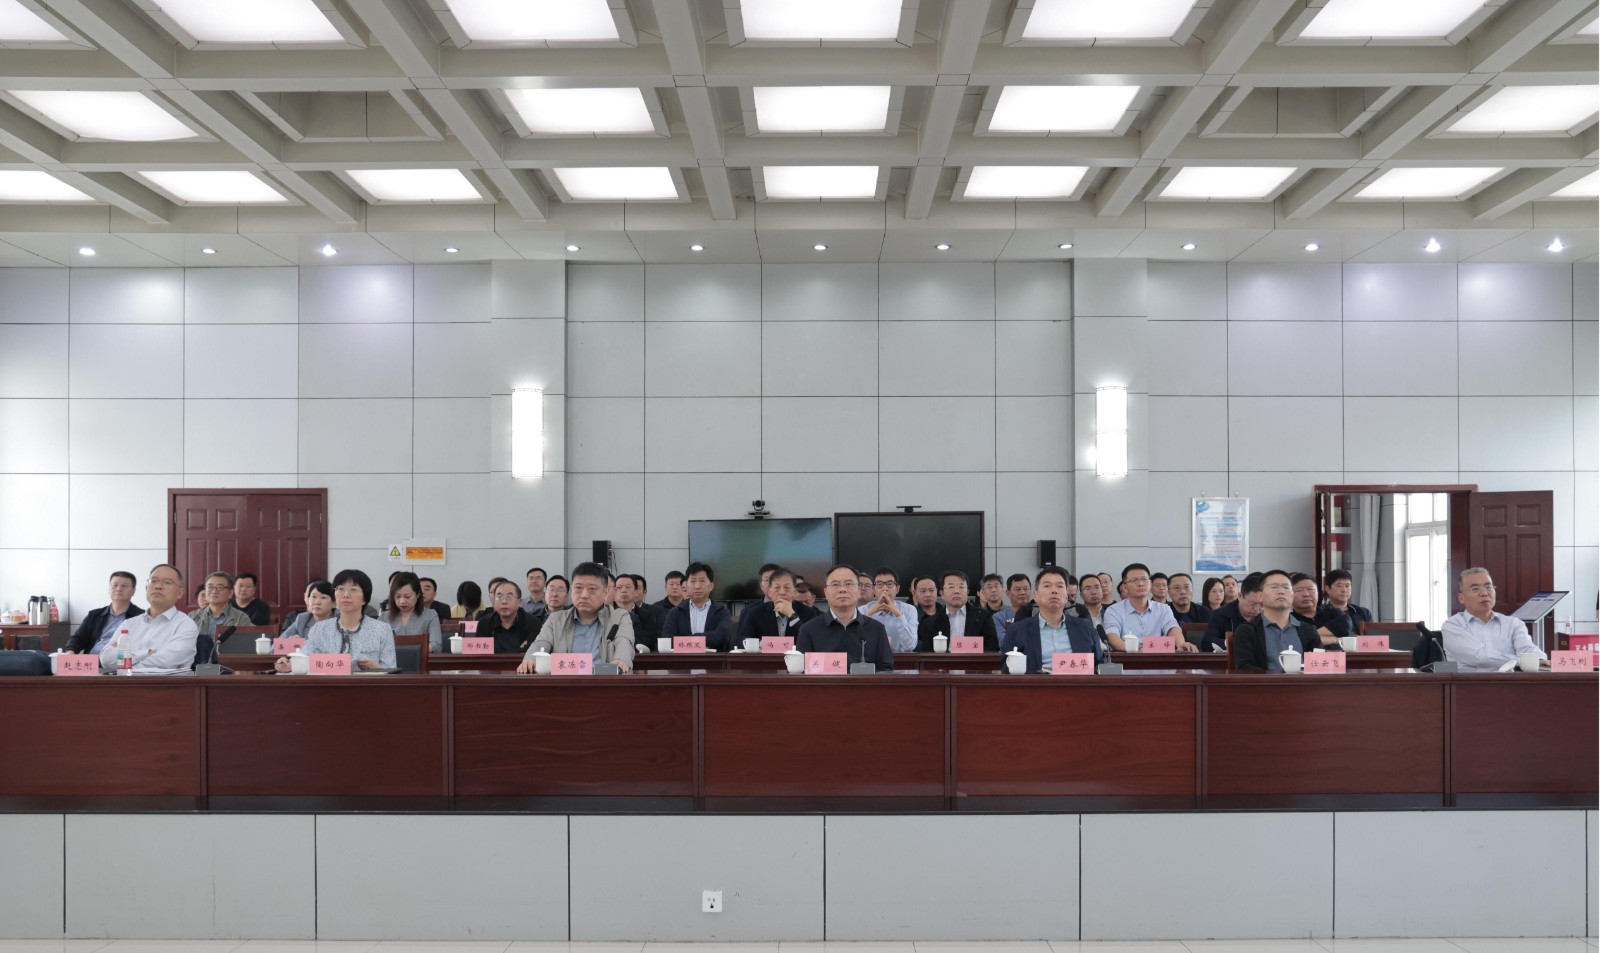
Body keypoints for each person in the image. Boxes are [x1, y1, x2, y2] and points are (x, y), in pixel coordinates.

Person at [521, 562, 635, 673]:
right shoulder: (556, 619)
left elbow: (624, 641)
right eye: (578, 588)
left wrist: (621, 659)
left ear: (605, 593)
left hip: (605, 682)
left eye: (592, 589)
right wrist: (530, 660)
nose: (584, 595)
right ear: (571, 590)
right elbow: (541, 643)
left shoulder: (619, 617)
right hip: (566, 683)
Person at [275, 569, 395, 671]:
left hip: (366, 688)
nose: (345, 594)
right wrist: (287, 664)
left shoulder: (382, 630)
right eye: (340, 589)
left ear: (365, 599)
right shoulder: (319, 629)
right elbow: (303, 658)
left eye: (353, 590)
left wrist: (376, 668)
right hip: (325, 688)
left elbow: (391, 670)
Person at [99, 564, 199, 675]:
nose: (158, 586)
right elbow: (106, 659)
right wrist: (147, 653)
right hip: (124, 683)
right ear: (146, 588)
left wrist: (126, 664)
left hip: (167, 685)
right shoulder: (129, 624)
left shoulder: (185, 625)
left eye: (167, 582)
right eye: (153, 581)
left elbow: (166, 662)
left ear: (180, 593)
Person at [1001, 566, 1105, 673]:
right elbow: (1007, 669)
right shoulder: (1017, 630)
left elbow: (1100, 664)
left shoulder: (1085, 627)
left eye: (1059, 586)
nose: (1054, 590)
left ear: (1066, 597)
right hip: (1036, 683)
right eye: (1047, 586)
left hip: (1078, 682)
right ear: (1036, 596)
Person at [1442, 567, 1546, 672]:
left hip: (1511, 681)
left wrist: (1539, 659)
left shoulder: (1513, 623)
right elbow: (1480, 657)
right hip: (1469, 681)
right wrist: (1522, 661)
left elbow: (1527, 648)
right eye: (1475, 589)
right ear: (1461, 598)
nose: (1484, 593)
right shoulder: (1452, 625)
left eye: (1488, 587)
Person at [795, 564, 894, 671]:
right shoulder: (808, 630)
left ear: (858, 590)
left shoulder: (877, 629)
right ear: (826, 593)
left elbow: (886, 669)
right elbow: (802, 671)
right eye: (835, 584)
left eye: (848, 584)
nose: (842, 589)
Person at [1233, 570, 1328, 672]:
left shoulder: (1309, 630)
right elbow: (1245, 668)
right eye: (1274, 587)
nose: (1281, 591)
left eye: (1286, 587)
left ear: (1292, 595)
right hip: (1264, 682)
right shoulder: (1247, 631)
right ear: (1260, 596)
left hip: (1303, 682)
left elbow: (1319, 667)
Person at [1102, 563, 1195, 653]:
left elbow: (1172, 628)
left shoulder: (1163, 609)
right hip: (1126, 659)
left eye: (1144, 579)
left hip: (1158, 659)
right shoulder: (1114, 610)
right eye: (1134, 580)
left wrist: (1180, 643)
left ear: (1150, 584)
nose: (1141, 584)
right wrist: (1135, 649)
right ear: (1125, 587)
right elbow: (1111, 635)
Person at [916, 571, 997, 652]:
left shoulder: (983, 616)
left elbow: (992, 647)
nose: (956, 591)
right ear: (942, 593)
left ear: (967, 592)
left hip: (974, 660)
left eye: (961, 587)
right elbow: (927, 653)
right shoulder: (931, 622)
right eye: (951, 587)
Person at [661, 561, 733, 651]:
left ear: (711, 586)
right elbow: (668, 639)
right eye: (693, 581)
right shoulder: (675, 612)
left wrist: (692, 639)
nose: (697, 586)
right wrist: (702, 642)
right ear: (686, 585)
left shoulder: (722, 611)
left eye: (702, 581)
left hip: (713, 659)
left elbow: (722, 636)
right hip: (683, 659)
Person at [68, 571, 144, 654]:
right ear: (109, 588)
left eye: (124, 586)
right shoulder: (94, 615)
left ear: (133, 591)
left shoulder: (142, 617)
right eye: (115, 585)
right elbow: (78, 638)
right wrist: (70, 651)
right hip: (92, 660)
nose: (119, 589)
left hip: (121, 660)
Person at [731, 568, 817, 641]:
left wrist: (792, 615)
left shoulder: (808, 613)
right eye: (777, 588)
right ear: (770, 592)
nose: (782, 592)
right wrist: (762, 645)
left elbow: (814, 641)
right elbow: (741, 643)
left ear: (794, 592)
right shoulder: (755, 613)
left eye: (787, 587)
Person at [189, 571, 253, 664]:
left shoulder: (242, 618)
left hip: (229, 666)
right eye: (210, 587)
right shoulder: (192, 616)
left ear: (230, 593)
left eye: (220, 587)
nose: (214, 591)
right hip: (195, 666)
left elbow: (244, 649)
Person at [1202, 572, 1265, 652]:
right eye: (1252, 604)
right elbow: (1207, 642)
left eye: (1261, 605)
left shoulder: (1269, 614)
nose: (1256, 609)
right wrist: (1233, 643)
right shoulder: (1221, 614)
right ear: (1240, 596)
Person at [858, 567, 917, 652]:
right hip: (872, 659)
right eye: (879, 584)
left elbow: (910, 646)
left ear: (897, 589)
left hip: (900, 659)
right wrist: (869, 614)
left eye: (889, 584)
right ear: (873, 589)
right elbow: (857, 643)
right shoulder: (862, 610)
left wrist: (898, 615)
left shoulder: (910, 610)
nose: (885, 588)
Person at [479, 579, 543, 653]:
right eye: (499, 597)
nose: (504, 602)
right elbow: (480, 654)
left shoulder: (533, 623)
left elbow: (532, 652)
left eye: (509, 597)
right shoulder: (484, 623)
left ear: (519, 602)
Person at [386, 571, 443, 653]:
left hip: (418, 660)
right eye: (397, 596)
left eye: (407, 596)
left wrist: (410, 652)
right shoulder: (384, 617)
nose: (402, 601)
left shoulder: (430, 615)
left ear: (418, 594)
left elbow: (436, 646)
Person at [1289, 573, 1350, 644]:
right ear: (1290, 595)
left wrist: (1306, 637)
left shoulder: (1332, 613)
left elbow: (1345, 624)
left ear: (1318, 593)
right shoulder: (1289, 620)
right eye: (1299, 590)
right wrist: (1336, 640)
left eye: (1310, 589)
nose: (1306, 594)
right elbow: (1292, 640)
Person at [736, 564, 785, 642]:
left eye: (774, 579)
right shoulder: (749, 611)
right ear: (761, 585)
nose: (770, 583)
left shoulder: (797, 609)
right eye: (766, 580)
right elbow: (741, 642)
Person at [615, 574, 662, 648]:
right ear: (614, 591)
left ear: (636, 592)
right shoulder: (606, 614)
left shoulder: (647, 615)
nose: (623, 590)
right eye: (619, 587)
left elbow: (648, 641)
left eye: (628, 587)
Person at [1323, 569, 1373, 634]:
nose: (1344, 590)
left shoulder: (1363, 613)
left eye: (1347, 586)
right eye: (1339, 586)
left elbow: (1372, 637)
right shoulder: (1320, 613)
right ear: (1327, 589)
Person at [992, 572, 1035, 641]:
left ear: (1031, 591)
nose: (1022, 593)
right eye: (1018, 589)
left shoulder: (1040, 614)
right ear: (1008, 593)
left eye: (1026, 589)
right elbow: (1003, 642)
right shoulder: (999, 617)